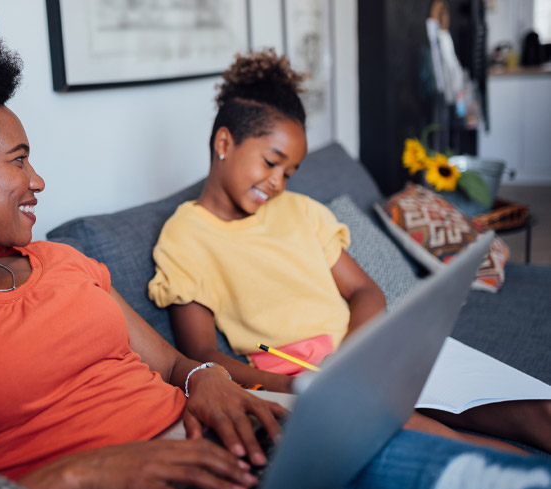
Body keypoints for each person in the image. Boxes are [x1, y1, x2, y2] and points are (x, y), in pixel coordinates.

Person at [0, 25, 551, 489]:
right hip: (138, 485)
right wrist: (81, 475)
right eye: (18, 160)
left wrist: (210, 383)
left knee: (483, 478)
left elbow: (175, 363)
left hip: (237, 447)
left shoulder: (62, 264)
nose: (37, 180)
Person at [148, 49, 551, 456]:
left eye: (288, 172)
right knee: (457, 447)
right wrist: (294, 387)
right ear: (224, 142)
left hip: (372, 347)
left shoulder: (302, 211)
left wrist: (350, 355)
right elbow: (200, 355)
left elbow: (365, 292)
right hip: (300, 374)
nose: (277, 183)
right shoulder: (185, 237)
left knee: (539, 411)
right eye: (272, 163)